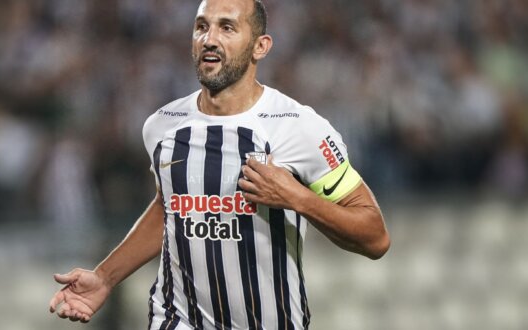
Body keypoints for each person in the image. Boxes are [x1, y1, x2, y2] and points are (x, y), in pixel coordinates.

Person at [48, 0, 390, 328]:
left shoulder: (298, 127)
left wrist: (296, 198)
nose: (209, 39)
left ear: (260, 46)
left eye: (227, 27)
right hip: (175, 319)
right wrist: (105, 277)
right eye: (201, 27)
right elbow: (170, 208)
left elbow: (375, 237)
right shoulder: (162, 126)